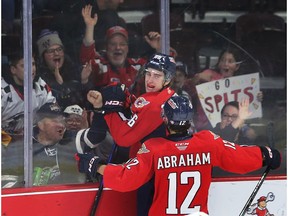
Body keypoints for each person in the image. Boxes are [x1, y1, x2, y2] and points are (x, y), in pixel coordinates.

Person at [75, 95, 281, 215]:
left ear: (165, 119)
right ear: (189, 120)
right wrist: (265, 154)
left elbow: (126, 178)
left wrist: (95, 165)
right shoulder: (207, 141)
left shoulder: (153, 147)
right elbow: (239, 157)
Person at [81, 53, 177, 216]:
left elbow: (124, 137)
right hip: (165, 173)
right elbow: (141, 120)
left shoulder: (154, 105)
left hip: (152, 177)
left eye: (157, 75)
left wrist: (108, 108)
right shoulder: (168, 97)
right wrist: (127, 103)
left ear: (167, 79)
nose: (150, 80)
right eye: (148, 73)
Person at [80, 4, 163, 94]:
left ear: (127, 48)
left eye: (122, 44)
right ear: (106, 48)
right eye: (113, 44)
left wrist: (159, 48)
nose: (118, 47)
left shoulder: (137, 66)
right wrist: (90, 27)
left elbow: (163, 72)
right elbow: (87, 59)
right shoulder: (100, 66)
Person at [184, 47, 263, 131]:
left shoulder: (242, 85)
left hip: (234, 124)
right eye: (222, 60)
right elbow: (188, 87)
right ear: (219, 63)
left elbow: (247, 109)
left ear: (237, 66)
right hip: (208, 124)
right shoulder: (210, 75)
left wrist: (256, 97)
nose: (226, 64)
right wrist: (196, 79)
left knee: (251, 134)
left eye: (230, 61)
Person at [1, 51, 56, 136]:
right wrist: (9, 142)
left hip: (34, 140)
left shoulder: (40, 85)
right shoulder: (3, 92)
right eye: (24, 66)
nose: (31, 69)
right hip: (6, 145)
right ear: (13, 70)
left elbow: (53, 112)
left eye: (33, 64)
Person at [36, 29, 90, 109]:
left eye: (59, 49)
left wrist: (84, 81)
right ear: (43, 57)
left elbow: (87, 103)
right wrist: (60, 86)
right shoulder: (39, 79)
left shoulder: (75, 70)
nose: (56, 53)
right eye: (51, 51)